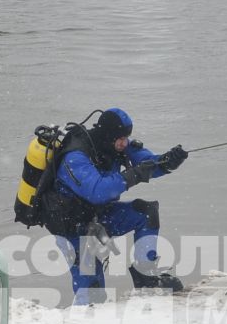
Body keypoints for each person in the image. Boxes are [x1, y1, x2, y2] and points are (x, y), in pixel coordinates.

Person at [40, 108, 189, 303]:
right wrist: (134, 174)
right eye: (120, 138)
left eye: (126, 137)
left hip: (99, 217)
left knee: (145, 212)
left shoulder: (116, 145)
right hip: (72, 228)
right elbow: (98, 192)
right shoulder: (76, 155)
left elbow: (147, 163)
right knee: (93, 293)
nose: (124, 142)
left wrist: (167, 162)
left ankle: (146, 275)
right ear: (107, 135)